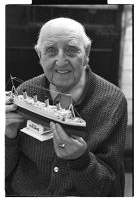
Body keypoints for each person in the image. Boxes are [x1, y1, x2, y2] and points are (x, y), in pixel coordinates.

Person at [5, 17, 128, 196]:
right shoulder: (25, 90)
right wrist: (8, 138)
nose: (61, 61)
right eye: (51, 50)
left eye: (71, 51)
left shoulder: (112, 101)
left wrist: (81, 160)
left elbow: (112, 190)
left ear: (86, 53)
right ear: (39, 55)